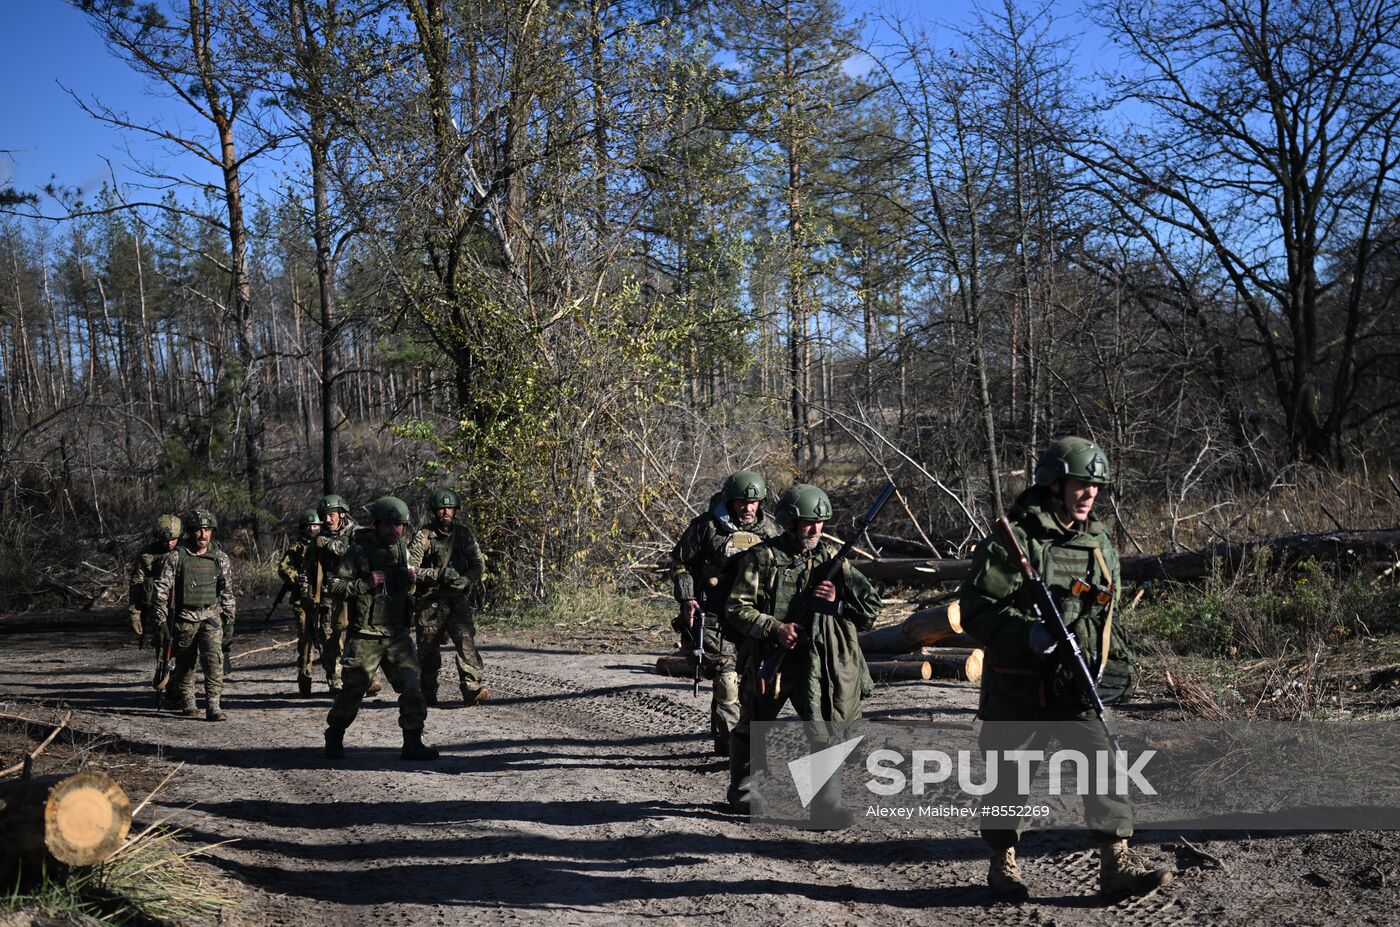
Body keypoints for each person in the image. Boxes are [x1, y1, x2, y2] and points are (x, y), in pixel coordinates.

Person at [959, 436, 1172, 902]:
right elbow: (975, 610)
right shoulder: (1017, 538)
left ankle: (1116, 863)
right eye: (1080, 484)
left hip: (1075, 683)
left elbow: (1106, 612)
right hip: (1019, 687)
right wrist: (1028, 634)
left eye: (1096, 486)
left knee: (1104, 763)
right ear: (1054, 485)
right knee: (1009, 778)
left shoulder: (1097, 542)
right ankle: (1002, 862)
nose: (1090, 493)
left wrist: (1113, 661)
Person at [724, 483, 882, 828]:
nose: (816, 530)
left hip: (817, 662)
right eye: (809, 523)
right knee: (754, 724)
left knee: (823, 729)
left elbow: (870, 610)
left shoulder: (831, 559)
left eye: (820, 523)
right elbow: (736, 608)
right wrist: (774, 628)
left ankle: (825, 805)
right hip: (770, 657)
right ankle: (744, 791)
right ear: (789, 522)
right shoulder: (762, 558)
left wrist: (837, 602)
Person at [670, 470, 781, 755]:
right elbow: (679, 562)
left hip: (752, 617)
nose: (748, 508)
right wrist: (687, 597)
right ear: (730, 501)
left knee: (753, 683)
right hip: (714, 616)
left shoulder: (769, 531)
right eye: (742, 502)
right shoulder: (707, 527)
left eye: (753, 502)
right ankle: (733, 747)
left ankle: (738, 738)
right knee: (727, 680)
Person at [323, 496, 438, 761]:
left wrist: (411, 582)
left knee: (412, 686)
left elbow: (404, 592)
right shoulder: (359, 552)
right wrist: (364, 583)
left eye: (399, 525)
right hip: (366, 635)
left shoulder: (403, 551)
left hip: (397, 634)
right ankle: (335, 733)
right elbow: (334, 586)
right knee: (354, 689)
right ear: (377, 524)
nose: (395, 530)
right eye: (389, 524)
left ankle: (412, 741)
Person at [151, 509, 236, 721]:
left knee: (214, 662)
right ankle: (188, 700)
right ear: (190, 532)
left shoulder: (220, 558)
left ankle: (213, 705)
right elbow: (161, 591)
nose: (203, 534)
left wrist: (229, 620)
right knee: (185, 663)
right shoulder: (176, 557)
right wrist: (161, 622)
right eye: (198, 530)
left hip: (211, 616)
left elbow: (227, 591)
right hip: (184, 618)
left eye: (207, 530)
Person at [409, 488, 488, 707]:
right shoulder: (424, 536)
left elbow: (478, 564)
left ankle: (471, 688)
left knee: (466, 644)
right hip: (430, 603)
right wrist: (437, 574)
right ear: (434, 511)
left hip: (457, 601)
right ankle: (427, 693)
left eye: (450, 508)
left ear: (455, 510)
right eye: (442, 508)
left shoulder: (463, 535)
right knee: (428, 653)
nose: (446, 512)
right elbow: (411, 569)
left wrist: (466, 580)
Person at [311, 494, 359, 696]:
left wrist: (329, 544)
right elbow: (309, 567)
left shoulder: (356, 533)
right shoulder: (318, 539)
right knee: (330, 638)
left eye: (331, 515)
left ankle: (362, 677)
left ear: (342, 514)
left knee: (358, 636)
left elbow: (355, 553)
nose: (327, 519)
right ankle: (336, 678)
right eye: (324, 516)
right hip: (328, 595)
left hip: (353, 592)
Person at [277, 509, 324, 697]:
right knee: (305, 637)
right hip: (302, 599)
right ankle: (305, 672)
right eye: (309, 526)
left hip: (324, 597)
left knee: (329, 637)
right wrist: (299, 577)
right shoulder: (296, 548)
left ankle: (334, 677)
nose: (312, 529)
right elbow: (283, 568)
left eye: (316, 525)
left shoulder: (326, 545)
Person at [128, 514, 181, 646]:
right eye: (165, 540)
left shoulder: (187, 552)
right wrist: (135, 614)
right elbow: (137, 584)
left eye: (173, 539)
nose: (169, 544)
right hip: (157, 606)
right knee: (162, 641)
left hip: (183, 606)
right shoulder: (147, 555)